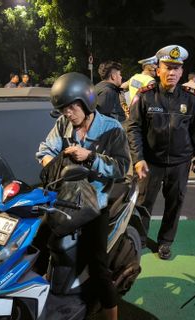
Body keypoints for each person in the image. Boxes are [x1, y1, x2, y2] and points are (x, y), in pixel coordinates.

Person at [36, 72, 130, 320]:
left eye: (71, 108)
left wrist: (89, 157)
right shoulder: (63, 124)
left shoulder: (111, 129)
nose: (67, 113)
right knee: (37, 242)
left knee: (99, 267)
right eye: (63, 109)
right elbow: (46, 149)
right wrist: (51, 163)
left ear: (86, 102)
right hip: (64, 199)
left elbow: (121, 168)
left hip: (94, 204)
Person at [126, 45, 195, 260]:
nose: (172, 73)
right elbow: (133, 128)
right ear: (158, 69)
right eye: (167, 68)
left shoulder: (190, 98)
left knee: (175, 204)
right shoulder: (145, 97)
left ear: (181, 72)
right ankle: (140, 239)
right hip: (151, 163)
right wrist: (138, 158)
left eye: (176, 68)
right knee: (143, 204)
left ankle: (165, 241)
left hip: (180, 163)